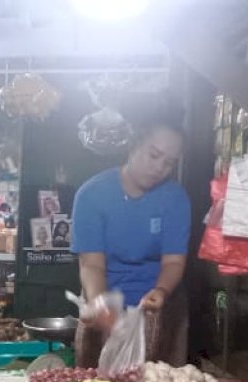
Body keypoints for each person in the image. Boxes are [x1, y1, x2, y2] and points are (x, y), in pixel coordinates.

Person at [71, 115, 191, 368]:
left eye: (169, 163)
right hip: (105, 297)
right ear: (134, 145)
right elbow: (92, 264)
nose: (159, 167)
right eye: (154, 155)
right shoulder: (92, 195)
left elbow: (173, 261)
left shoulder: (176, 199)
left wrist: (160, 291)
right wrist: (99, 302)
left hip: (158, 306)